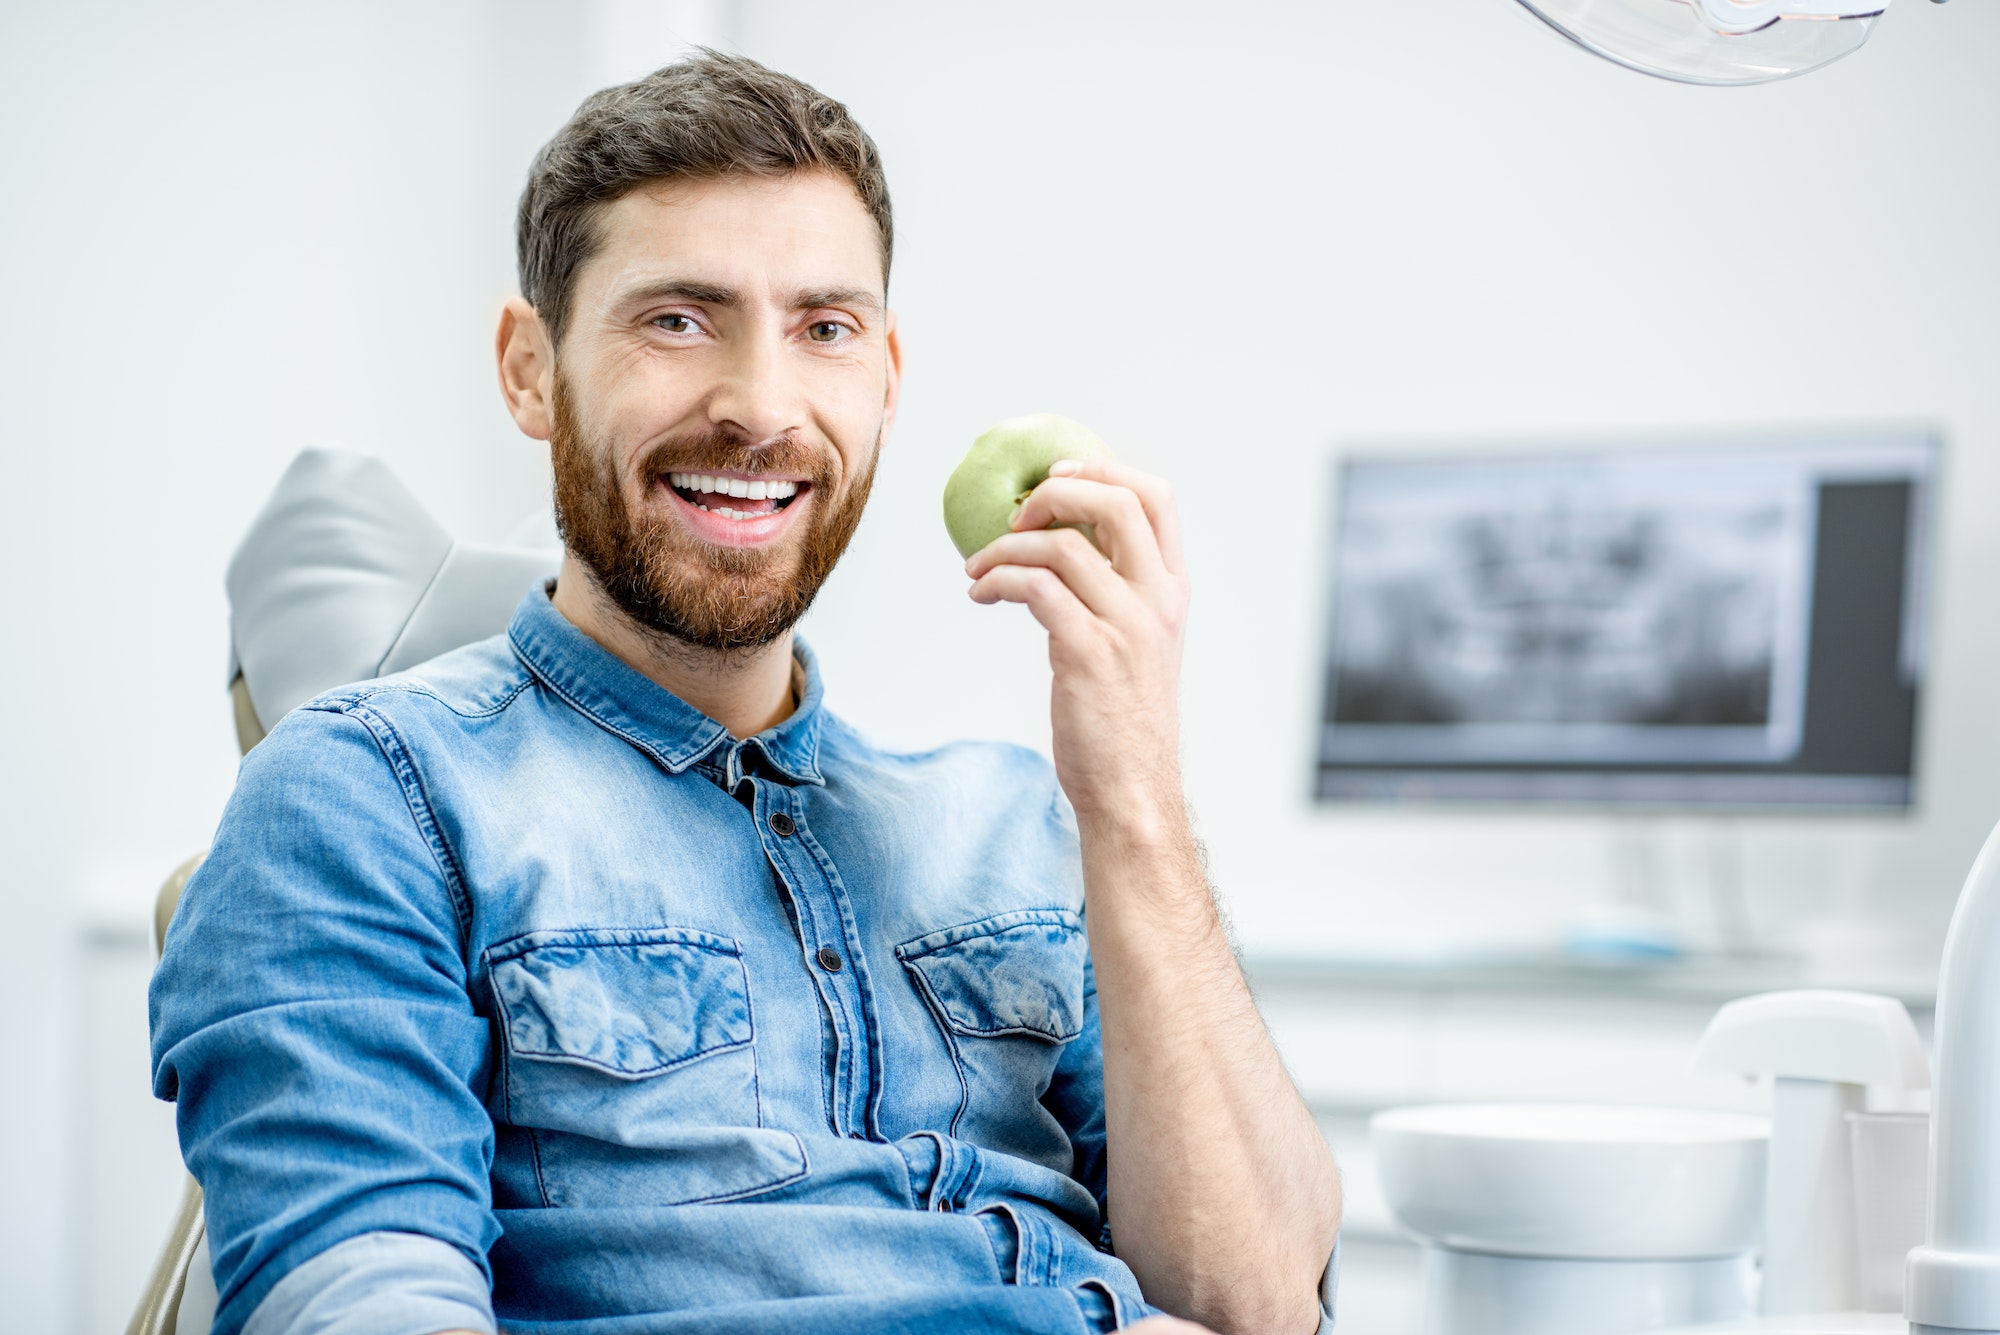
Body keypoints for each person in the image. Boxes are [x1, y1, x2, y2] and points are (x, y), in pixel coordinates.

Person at [150, 51, 1340, 1335]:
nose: (761, 407)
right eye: (677, 319)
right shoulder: (370, 796)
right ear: (528, 370)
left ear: (884, 378)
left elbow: (1259, 1304)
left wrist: (1134, 801)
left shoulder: (1019, 827)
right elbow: (360, 1298)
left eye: (823, 330)